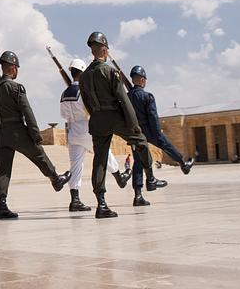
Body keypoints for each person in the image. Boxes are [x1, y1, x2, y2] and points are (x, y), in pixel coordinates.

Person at [79, 32, 167, 219]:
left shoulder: (84, 76)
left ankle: (101, 204)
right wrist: (134, 124)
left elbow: (86, 101)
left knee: (100, 159)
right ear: (104, 50)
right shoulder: (111, 72)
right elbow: (123, 100)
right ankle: (150, 179)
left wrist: (96, 113)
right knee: (141, 142)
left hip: (97, 119)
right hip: (115, 116)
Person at [0, 51, 71, 219]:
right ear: (11, 67)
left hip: (1, 133)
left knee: (3, 170)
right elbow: (27, 112)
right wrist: (35, 133)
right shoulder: (16, 87)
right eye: (16, 67)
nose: (17, 70)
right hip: (17, 130)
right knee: (39, 154)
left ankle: (1, 206)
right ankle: (56, 179)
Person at [60, 58, 131, 212]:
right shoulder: (84, 89)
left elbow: (63, 114)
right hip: (86, 127)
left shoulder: (64, 93)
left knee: (76, 165)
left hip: (72, 131)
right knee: (104, 153)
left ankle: (75, 199)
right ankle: (119, 177)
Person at [127, 65, 194, 207]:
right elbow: (153, 117)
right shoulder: (147, 96)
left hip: (135, 134)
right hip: (150, 131)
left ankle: (138, 195)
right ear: (143, 80)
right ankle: (183, 164)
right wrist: (158, 135)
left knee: (138, 162)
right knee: (167, 145)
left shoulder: (127, 97)